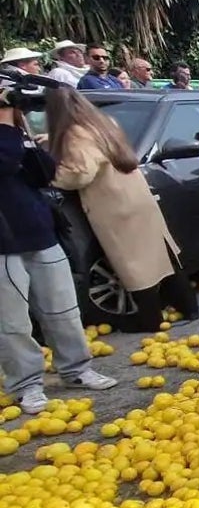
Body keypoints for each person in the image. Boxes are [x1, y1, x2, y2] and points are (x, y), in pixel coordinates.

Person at [0, 86, 117, 412]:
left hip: (40, 233)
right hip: (4, 245)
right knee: (13, 322)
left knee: (62, 309)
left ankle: (76, 369)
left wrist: (27, 136)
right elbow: (5, 164)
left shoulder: (14, 134)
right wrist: (7, 124)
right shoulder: (6, 136)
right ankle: (26, 385)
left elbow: (44, 174)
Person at [45, 87, 196, 331]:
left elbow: (81, 174)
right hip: (136, 195)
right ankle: (188, 306)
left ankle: (150, 319)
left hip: (113, 203)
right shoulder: (105, 122)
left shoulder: (74, 134)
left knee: (133, 264)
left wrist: (50, 175)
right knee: (163, 254)